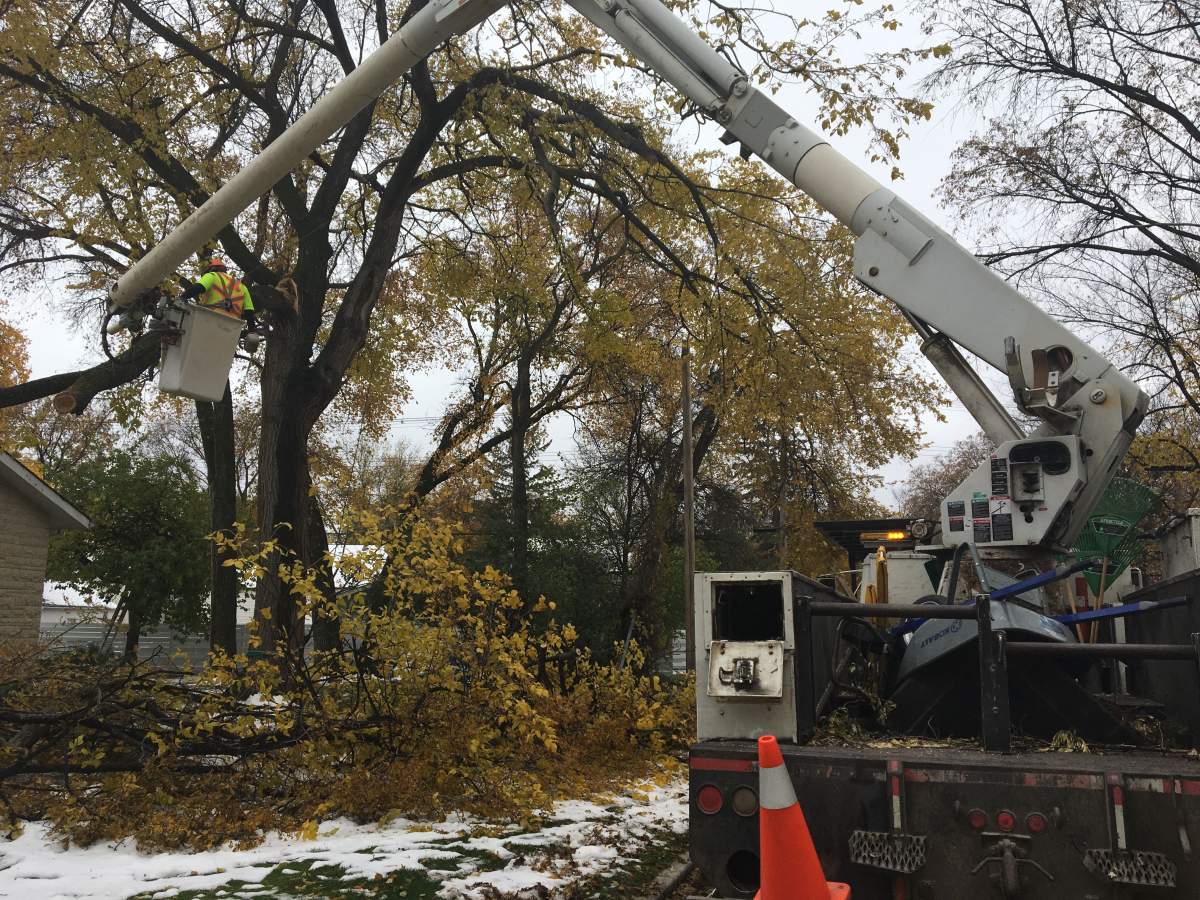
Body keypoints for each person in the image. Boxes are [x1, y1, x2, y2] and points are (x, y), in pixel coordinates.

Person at [178, 258, 260, 331]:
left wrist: (182, 297)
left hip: (210, 319)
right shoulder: (242, 287)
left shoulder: (212, 276)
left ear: (212, 269)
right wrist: (252, 330)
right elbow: (249, 311)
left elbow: (198, 288)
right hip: (232, 326)